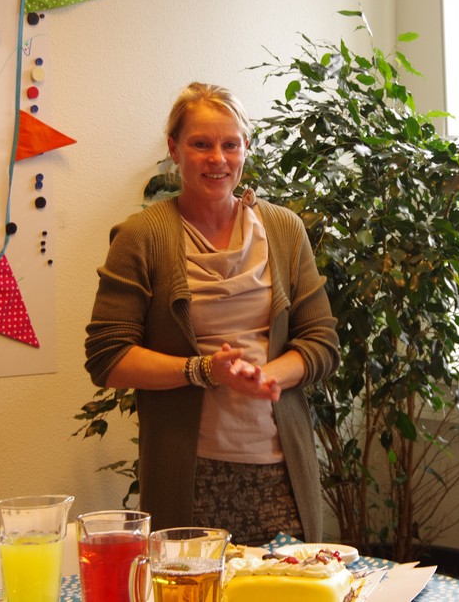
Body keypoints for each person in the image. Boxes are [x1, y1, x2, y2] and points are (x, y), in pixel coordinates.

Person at [84, 82, 340, 545]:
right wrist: (203, 370)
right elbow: (107, 357)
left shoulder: (284, 230)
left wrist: (266, 377)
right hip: (187, 474)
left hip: (281, 471)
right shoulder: (141, 237)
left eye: (230, 145)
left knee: (287, 584)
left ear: (246, 148)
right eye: (201, 144)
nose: (217, 159)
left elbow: (321, 342)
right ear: (174, 149)